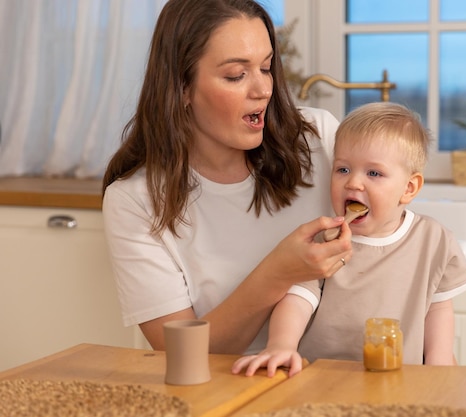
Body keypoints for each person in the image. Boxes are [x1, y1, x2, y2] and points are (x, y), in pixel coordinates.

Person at [101, 0, 353, 355]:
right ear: (182, 87)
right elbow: (181, 354)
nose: (263, 89)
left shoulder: (320, 138)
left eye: (266, 68)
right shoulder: (135, 200)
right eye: (237, 75)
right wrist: (278, 272)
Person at [232, 102, 466, 377]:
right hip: (323, 376)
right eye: (343, 169)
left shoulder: (435, 240)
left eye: (373, 173)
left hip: (400, 378)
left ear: (408, 188)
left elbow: (439, 308)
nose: (353, 183)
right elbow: (298, 300)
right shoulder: (326, 242)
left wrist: (439, 365)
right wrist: (280, 345)